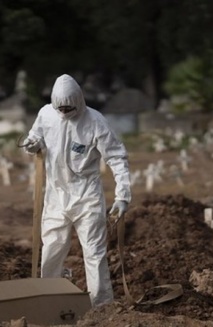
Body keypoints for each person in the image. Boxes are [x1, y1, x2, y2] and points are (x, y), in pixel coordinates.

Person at [23, 74, 131, 307]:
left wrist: (122, 196)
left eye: (68, 108)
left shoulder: (95, 121)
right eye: (60, 108)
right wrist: (31, 145)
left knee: (93, 251)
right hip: (55, 194)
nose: (64, 112)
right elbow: (35, 137)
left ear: (79, 101)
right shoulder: (46, 114)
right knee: (52, 249)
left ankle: (101, 306)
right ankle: (49, 301)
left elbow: (116, 157)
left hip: (86, 195)